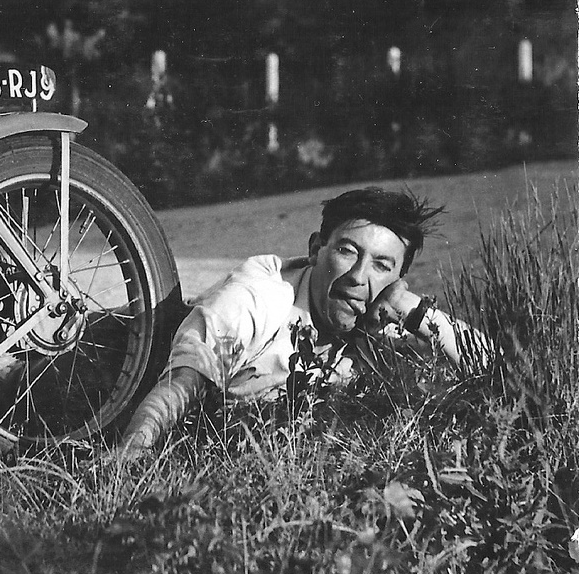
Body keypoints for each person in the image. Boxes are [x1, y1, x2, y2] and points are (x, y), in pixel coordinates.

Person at [119, 187, 491, 455]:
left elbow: (490, 365)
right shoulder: (261, 293)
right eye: (348, 251)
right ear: (316, 249)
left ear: (397, 279)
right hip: (112, 361)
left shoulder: (381, 319)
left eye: (381, 265)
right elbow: (185, 378)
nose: (359, 277)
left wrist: (412, 308)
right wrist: (128, 457)